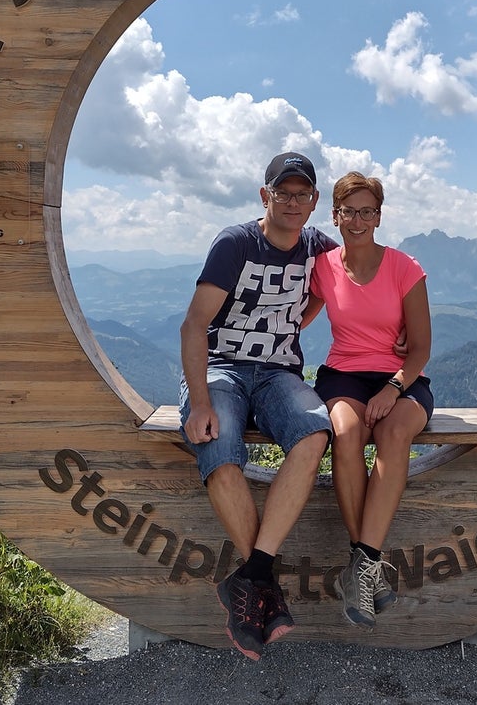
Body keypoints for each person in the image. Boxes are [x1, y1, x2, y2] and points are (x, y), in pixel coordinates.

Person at [178, 152, 336, 661]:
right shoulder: (236, 243)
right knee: (218, 446)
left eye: (302, 194)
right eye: (282, 192)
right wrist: (199, 402)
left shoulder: (319, 248)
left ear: (314, 200)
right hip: (221, 367)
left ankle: (251, 581)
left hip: (277, 374)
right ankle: (264, 586)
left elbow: (354, 285)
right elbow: (193, 325)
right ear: (265, 195)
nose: (292, 202)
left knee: (314, 434)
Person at [306, 171, 433, 629]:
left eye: (367, 211)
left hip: (401, 378)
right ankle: (368, 567)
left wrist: (393, 387)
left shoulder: (404, 268)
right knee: (345, 433)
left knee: (395, 433)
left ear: (379, 217)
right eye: (349, 211)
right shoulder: (323, 267)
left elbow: (420, 348)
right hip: (342, 375)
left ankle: (361, 563)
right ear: (335, 215)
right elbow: (294, 316)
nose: (358, 220)